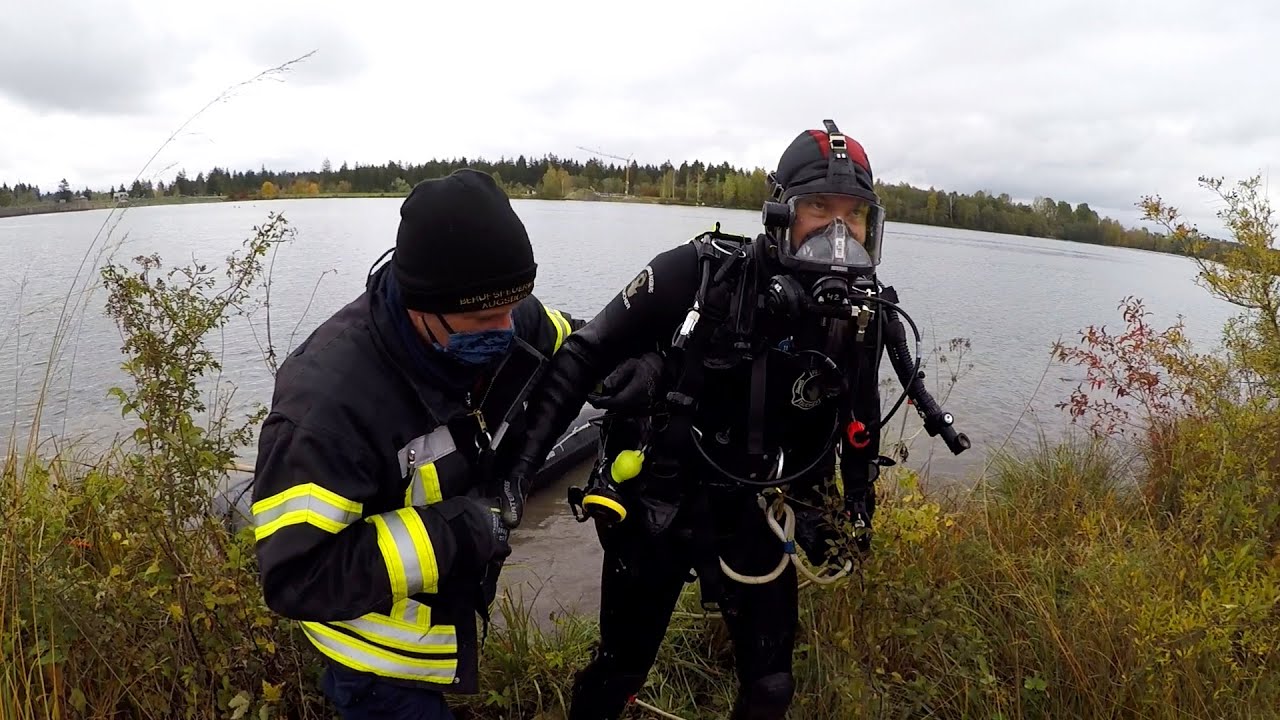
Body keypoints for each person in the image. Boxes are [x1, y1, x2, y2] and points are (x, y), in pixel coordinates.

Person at [493, 120, 970, 719]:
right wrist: (518, 471)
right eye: (819, 208)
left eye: (853, 217)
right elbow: (584, 351)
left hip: (756, 514)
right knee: (618, 671)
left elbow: (860, 416)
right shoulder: (695, 274)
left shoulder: (857, 317)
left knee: (771, 687)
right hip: (659, 502)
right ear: (779, 215)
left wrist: (853, 508)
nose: (837, 235)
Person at [250, 168, 585, 720]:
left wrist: (616, 366)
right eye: (484, 318)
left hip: (440, 633)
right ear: (419, 304)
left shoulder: (493, 315)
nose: (506, 329)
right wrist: (457, 533)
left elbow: (563, 335)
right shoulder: (328, 404)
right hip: (374, 664)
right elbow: (296, 576)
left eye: (513, 305)